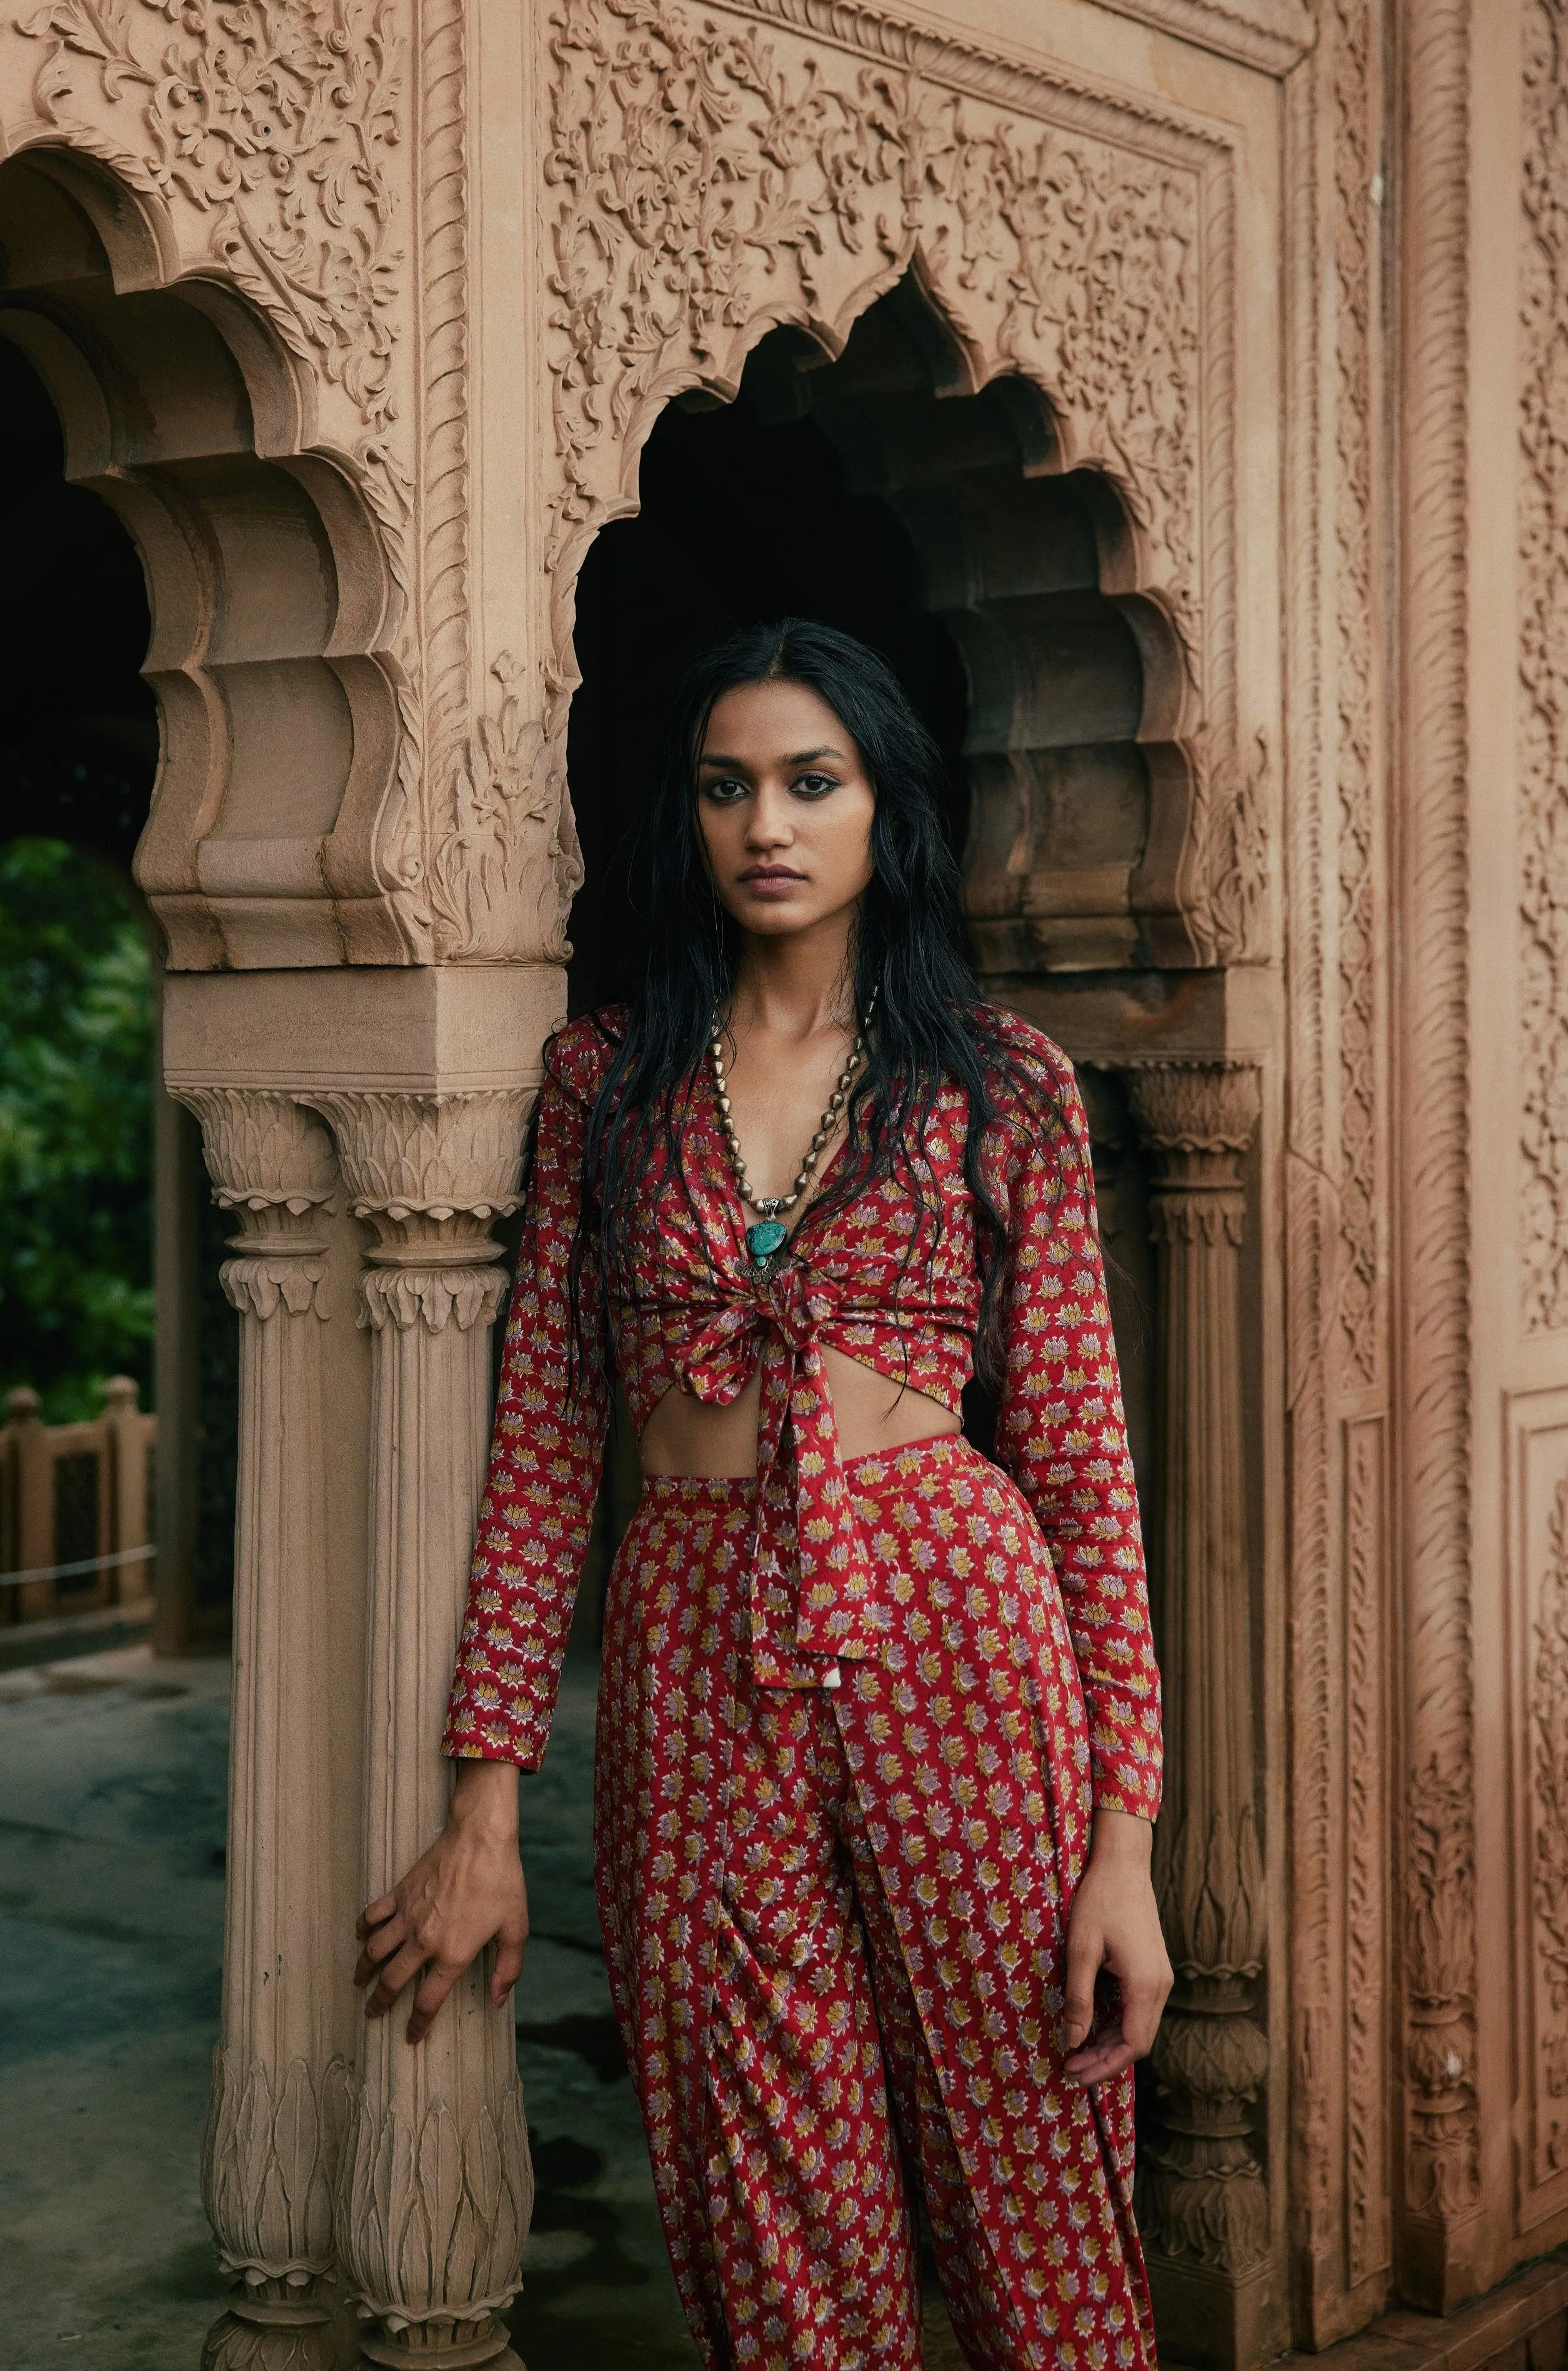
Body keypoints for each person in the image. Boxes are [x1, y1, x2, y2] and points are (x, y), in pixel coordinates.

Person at [354, 619, 1171, 2370]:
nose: (766, 825)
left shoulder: (993, 1082)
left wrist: (1125, 1848)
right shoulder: (609, 1081)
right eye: (727, 787)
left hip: (958, 1632)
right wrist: (482, 1813)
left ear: (887, 809)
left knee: (1028, 2167)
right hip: (690, 1653)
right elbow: (547, 1444)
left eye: (813, 782)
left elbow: (1085, 1465)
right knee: (758, 2180)